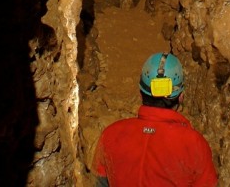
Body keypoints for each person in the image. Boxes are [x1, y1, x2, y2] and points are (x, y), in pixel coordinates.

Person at [91, 52, 218, 186]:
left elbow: (100, 182)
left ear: (141, 93)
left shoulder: (110, 134)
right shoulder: (194, 144)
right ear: (181, 96)